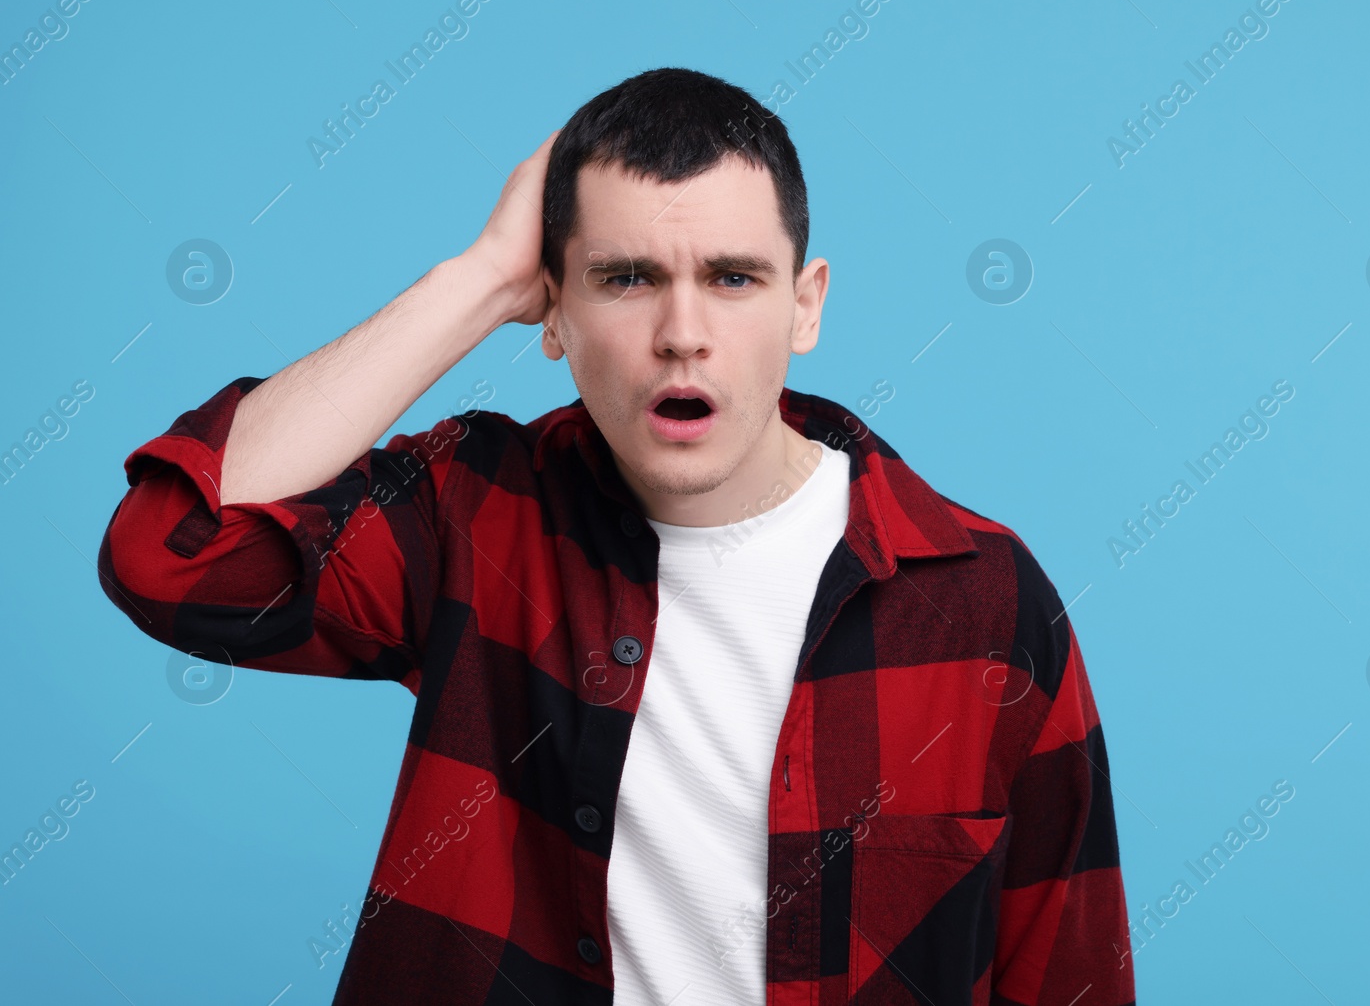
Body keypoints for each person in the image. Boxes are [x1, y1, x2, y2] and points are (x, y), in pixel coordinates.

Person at [97, 66, 1136, 1005]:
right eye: (626, 277)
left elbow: (1069, 972)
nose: (682, 332)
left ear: (805, 304)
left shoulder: (983, 600)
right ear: (552, 315)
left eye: (733, 277)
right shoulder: (477, 512)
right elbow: (171, 554)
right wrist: (477, 283)